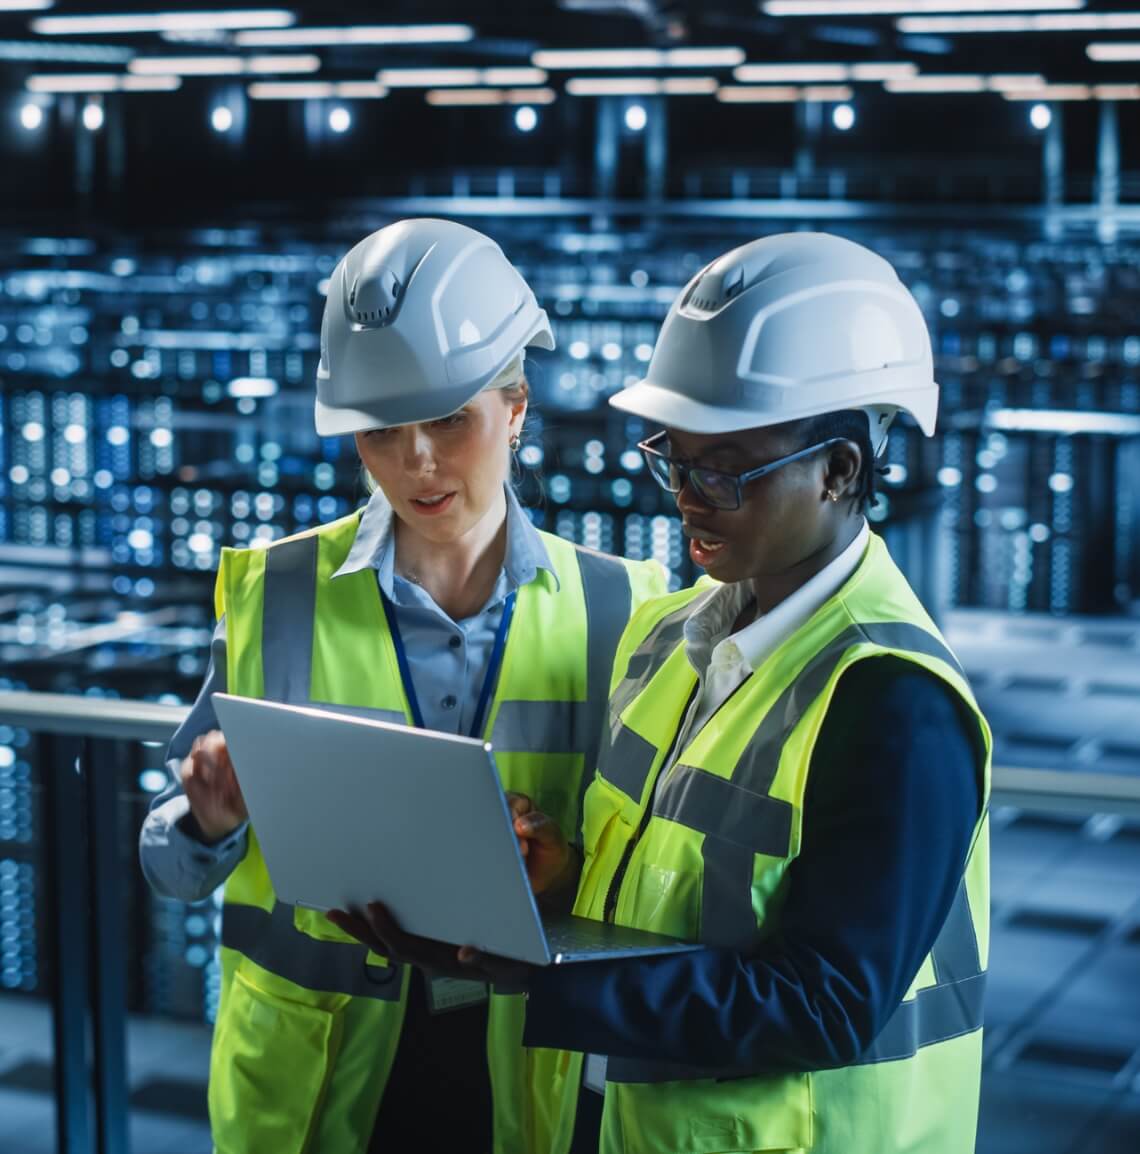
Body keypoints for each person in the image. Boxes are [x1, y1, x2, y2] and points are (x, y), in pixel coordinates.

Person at [333, 232, 992, 1154]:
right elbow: (675, 897)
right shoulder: (666, 638)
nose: (687, 495)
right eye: (673, 458)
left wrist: (538, 972)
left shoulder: (891, 702)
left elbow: (824, 1002)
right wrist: (551, 877)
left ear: (840, 471)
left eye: (725, 468)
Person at [138, 218, 667, 1154]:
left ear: (515, 409)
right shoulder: (278, 594)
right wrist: (207, 823)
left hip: (523, 1073)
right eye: (383, 429)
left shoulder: (625, 609)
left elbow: (652, 888)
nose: (417, 462)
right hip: (320, 1083)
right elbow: (169, 864)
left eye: (449, 421)